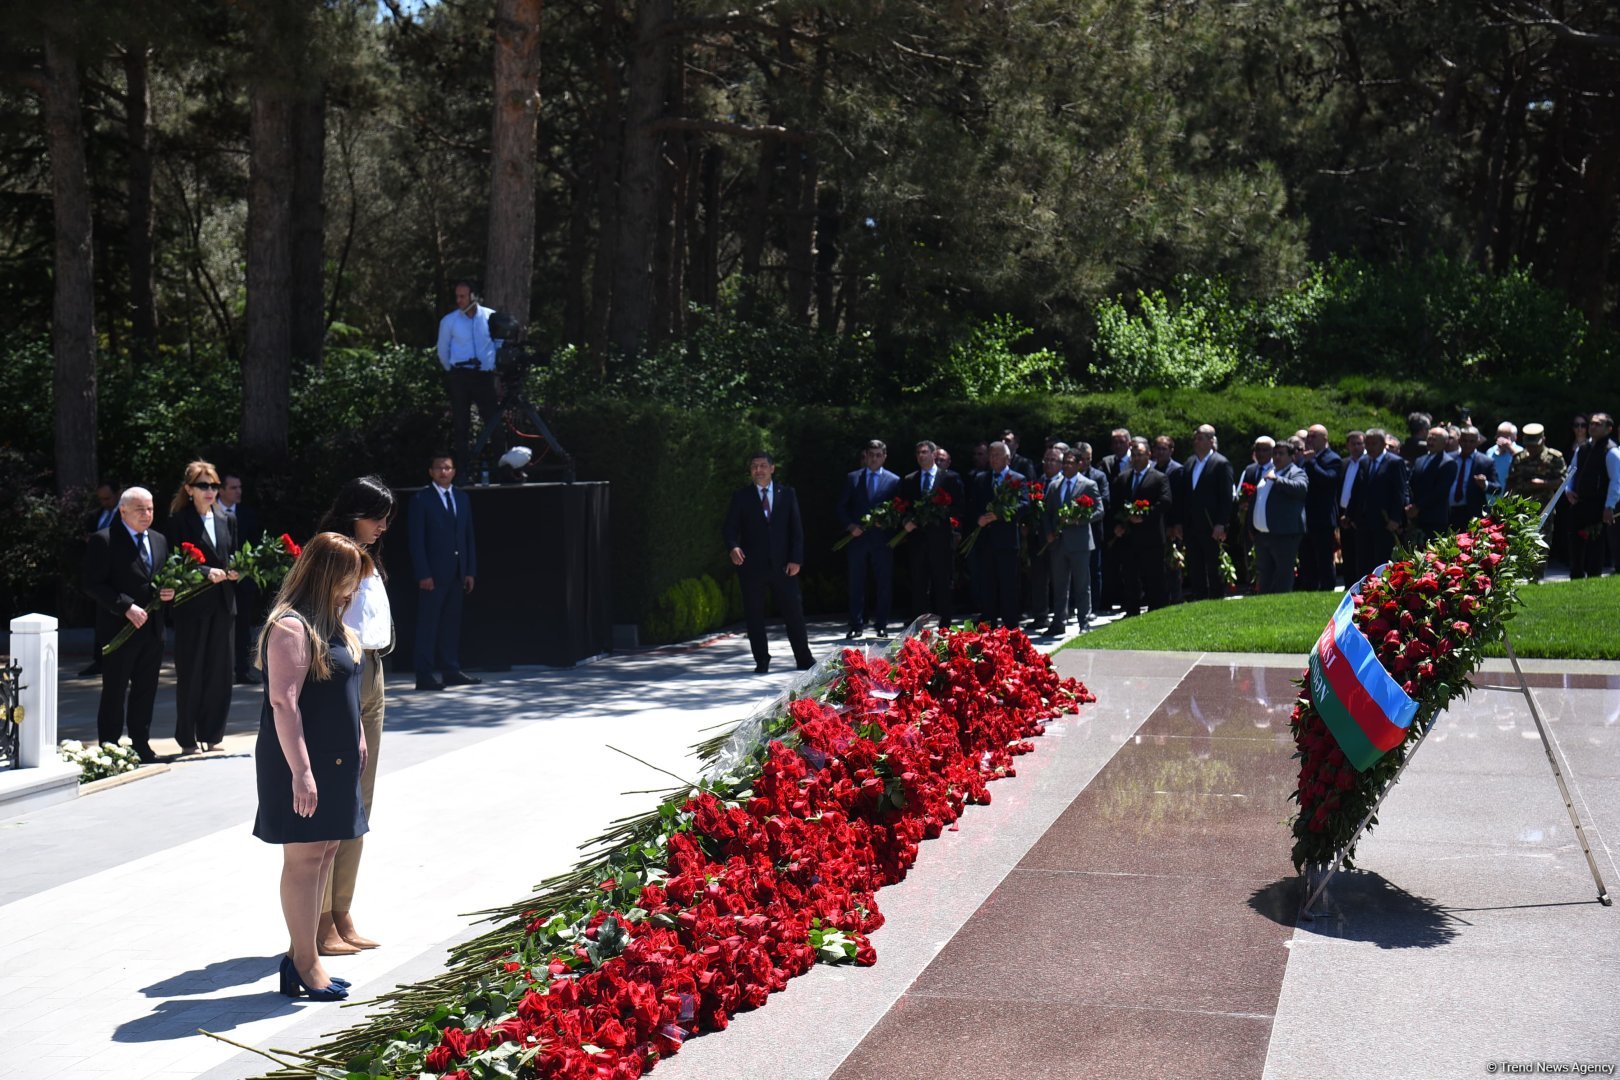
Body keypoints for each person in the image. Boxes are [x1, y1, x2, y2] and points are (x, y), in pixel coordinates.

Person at [252, 531, 370, 1002]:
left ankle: (305, 956)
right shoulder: (290, 627)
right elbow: (284, 703)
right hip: (301, 759)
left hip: (335, 759)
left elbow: (347, 690)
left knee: (325, 850)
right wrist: (301, 771)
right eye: (349, 580)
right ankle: (303, 962)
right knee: (303, 857)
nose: (354, 590)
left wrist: (358, 735)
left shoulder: (333, 623)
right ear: (326, 576)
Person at [314, 476, 396, 956]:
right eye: (377, 516)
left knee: (360, 801)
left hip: (373, 670)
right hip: (342, 672)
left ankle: (342, 910)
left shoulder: (367, 556)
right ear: (352, 512)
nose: (383, 526)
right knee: (335, 798)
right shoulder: (332, 555)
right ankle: (320, 919)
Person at [83, 488, 175, 763]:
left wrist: (168, 592)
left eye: (150, 509)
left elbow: (159, 578)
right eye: (140, 509)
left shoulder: (158, 540)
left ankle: (141, 745)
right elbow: (91, 583)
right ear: (123, 510)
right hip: (118, 631)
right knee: (114, 690)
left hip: (152, 630)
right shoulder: (105, 540)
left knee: (145, 690)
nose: (147, 515)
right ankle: (110, 748)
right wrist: (124, 606)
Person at [165, 461, 239, 754]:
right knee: (191, 670)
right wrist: (205, 571)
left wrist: (236, 570)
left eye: (214, 485)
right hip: (192, 605)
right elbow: (175, 563)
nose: (210, 491)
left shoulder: (226, 518)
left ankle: (213, 735)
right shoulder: (178, 520)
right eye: (203, 485)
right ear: (189, 489)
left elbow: (232, 554)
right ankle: (187, 738)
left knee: (220, 672)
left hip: (223, 603)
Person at [722, 452, 815, 673]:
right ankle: (761, 660)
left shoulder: (787, 494)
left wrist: (796, 559)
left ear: (772, 468)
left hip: (784, 566)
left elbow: (796, 531)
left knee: (794, 612)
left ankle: (804, 658)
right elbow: (729, 528)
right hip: (752, 567)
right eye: (754, 466)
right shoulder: (741, 496)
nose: (759, 470)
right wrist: (733, 546)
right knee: (754, 615)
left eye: (763, 465)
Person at [408, 453, 480, 692]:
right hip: (433, 575)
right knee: (428, 626)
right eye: (439, 468)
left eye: (448, 468)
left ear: (454, 471)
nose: (444, 472)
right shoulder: (421, 499)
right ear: (431, 472)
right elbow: (416, 541)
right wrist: (423, 573)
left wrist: (469, 570)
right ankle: (424, 674)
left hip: (457, 573)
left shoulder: (462, 498)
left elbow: (467, 536)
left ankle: (450, 669)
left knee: (451, 624)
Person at [836, 439, 901, 639]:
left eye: (878, 455)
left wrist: (888, 522)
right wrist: (850, 526)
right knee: (856, 582)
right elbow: (841, 507)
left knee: (883, 583)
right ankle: (856, 624)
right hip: (858, 539)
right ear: (866, 455)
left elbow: (899, 508)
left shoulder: (894, 480)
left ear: (884, 457)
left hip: (882, 540)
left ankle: (881, 624)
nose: (874, 459)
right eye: (871, 455)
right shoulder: (853, 478)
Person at [435, 280, 501, 478]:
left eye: (463, 296)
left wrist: (492, 365)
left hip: (484, 376)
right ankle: (463, 471)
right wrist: (452, 370)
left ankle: (501, 468)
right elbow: (442, 349)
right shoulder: (449, 321)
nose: (459, 300)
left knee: (493, 421)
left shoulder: (490, 317)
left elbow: (498, 343)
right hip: (460, 376)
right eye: (457, 296)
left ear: (474, 296)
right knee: (461, 424)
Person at [899, 440, 963, 628]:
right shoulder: (910, 479)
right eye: (918, 453)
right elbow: (903, 506)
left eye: (924, 452)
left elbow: (959, 506)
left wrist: (942, 515)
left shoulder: (949, 478)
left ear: (934, 454)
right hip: (917, 540)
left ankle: (944, 625)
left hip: (941, 540)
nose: (921, 456)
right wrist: (906, 521)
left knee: (942, 584)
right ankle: (919, 626)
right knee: (918, 584)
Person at [968, 440, 1030, 629]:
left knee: (1009, 586)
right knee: (987, 586)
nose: (993, 459)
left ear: (1007, 457)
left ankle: (1011, 627)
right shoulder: (981, 479)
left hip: (1007, 542)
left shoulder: (1017, 479)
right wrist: (978, 519)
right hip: (986, 542)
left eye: (997, 455)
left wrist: (1000, 514)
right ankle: (989, 627)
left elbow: (1024, 505)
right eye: (991, 455)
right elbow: (972, 506)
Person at [1169, 424, 1233, 601]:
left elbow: (1226, 497)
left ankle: (1216, 598)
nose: (1196, 442)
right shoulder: (1189, 463)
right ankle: (1199, 598)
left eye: (1200, 438)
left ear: (1211, 441)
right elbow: (1183, 496)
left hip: (1211, 525)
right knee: (1195, 565)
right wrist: (1179, 522)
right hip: (1191, 525)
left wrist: (1221, 523)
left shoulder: (1221, 464)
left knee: (1213, 565)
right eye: (1195, 438)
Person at [1110, 437, 1171, 616]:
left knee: (1154, 577)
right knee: (1130, 577)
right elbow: (1115, 505)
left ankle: (1156, 611)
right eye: (1134, 455)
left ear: (1149, 455)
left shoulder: (1159, 477)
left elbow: (1165, 502)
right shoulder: (1123, 478)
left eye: (1140, 454)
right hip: (1129, 538)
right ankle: (1132, 611)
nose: (1136, 458)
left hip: (1151, 537)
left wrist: (1144, 516)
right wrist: (1120, 523)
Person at [1041, 450, 1100, 634]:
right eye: (1064, 462)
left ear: (1079, 464)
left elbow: (1099, 510)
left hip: (1080, 543)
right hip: (1058, 544)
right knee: (1059, 586)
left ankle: (1084, 622)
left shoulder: (1088, 485)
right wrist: (1049, 532)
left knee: (1082, 585)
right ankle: (1058, 622)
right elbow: (1047, 513)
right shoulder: (1054, 486)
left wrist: (1079, 520)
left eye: (1070, 463)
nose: (1066, 466)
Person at [1560, 413, 1620, 579]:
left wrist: (1609, 506)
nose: (1592, 427)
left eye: (1597, 424)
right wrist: (1568, 491)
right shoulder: (1583, 448)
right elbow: (1571, 472)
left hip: (1599, 505)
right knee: (1575, 543)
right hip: (1579, 503)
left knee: (1596, 545)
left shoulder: (1611, 451)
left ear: (1608, 429)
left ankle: (1594, 577)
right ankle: (1576, 576)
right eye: (1591, 424)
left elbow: (1616, 481)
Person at [219, 473, 265, 685]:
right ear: (221, 490)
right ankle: (220, 670)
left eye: (240, 487)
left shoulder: (248, 514)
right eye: (233, 488)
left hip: (243, 580)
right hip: (216, 581)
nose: (238, 491)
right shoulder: (211, 513)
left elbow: (256, 546)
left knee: (243, 625)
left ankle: (242, 669)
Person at [1250, 440, 1307, 594]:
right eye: (1275, 453)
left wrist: (1277, 480)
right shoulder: (1269, 472)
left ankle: (1282, 600)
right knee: (1265, 572)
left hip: (1285, 533)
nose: (1276, 457)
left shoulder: (1296, 472)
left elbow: (1301, 488)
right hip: (1264, 534)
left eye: (1281, 453)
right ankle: (1265, 601)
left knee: (1283, 571)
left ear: (1291, 456)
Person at [79, 481, 122, 678]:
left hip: (118, 572)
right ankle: (100, 659)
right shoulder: (96, 516)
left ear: (117, 494)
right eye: (101, 499)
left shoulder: (124, 515)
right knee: (101, 617)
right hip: (98, 572)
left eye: (108, 498)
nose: (104, 502)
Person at [1352, 429, 1408, 577]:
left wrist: (1395, 518)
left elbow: (1399, 492)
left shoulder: (1394, 462)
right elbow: (1357, 490)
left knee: (1381, 560)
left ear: (1383, 444)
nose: (1370, 447)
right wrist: (1350, 515)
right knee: (1364, 560)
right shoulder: (1364, 462)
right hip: (1364, 521)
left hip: (1385, 521)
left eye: (1373, 443)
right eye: (1367, 443)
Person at [1298, 425, 1343, 591]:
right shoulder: (1306, 459)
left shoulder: (1333, 459)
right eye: (1308, 436)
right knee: (1307, 557)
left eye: (1313, 436)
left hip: (1323, 517)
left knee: (1323, 558)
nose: (1309, 440)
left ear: (1325, 438)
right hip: (1306, 516)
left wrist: (1313, 463)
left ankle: (1327, 588)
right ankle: (1309, 588)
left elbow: (1329, 481)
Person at [1406, 426, 1458, 543]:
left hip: (1434, 518)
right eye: (1429, 438)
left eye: (1435, 440)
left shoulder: (1448, 463)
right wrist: (1410, 505)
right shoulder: (1420, 460)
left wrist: (1418, 507)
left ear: (1445, 443)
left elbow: (1440, 491)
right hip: (1416, 517)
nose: (1430, 442)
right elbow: (1411, 484)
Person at [1077, 442, 1110, 612]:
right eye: (1082, 459)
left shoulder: (1098, 476)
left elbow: (1104, 500)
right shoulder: (1068, 476)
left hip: (1093, 529)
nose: (1085, 462)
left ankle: (1095, 605)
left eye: (1089, 458)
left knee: (1093, 568)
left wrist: (1083, 513)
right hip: (1072, 531)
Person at [1448, 426, 1500, 528]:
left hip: (1471, 513)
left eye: (1472, 441)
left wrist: (1484, 484)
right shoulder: (1449, 458)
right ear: (1459, 440)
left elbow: (1497, 487)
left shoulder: (1486, 462)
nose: (1467, 444)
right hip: (1448, 512)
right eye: (1464, 441)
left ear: (1478, 441)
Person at [1507, 423, 1565, 504]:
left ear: (1543, 440)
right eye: (1529, 445)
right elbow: (1510, 483)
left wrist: (1543, 483)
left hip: (1544, 507)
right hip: (1520, 507)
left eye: (1535, 445)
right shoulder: (1518, 458)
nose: (1531, 448)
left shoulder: (1554, 458)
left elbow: (1562, 481)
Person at [1337, 430, 1367, 583]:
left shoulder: (1367, 462)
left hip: (1360, 515)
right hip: (1343, 514)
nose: (1356, 447)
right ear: (1348, 446)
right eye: (1353, 444)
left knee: (1360, 553)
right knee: (1347, 552)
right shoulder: (1344, 463)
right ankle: (1348, 585)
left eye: (1359, 443)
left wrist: (1352, 515)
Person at [1487, 422, 1521, 495]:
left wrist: (1510, 448)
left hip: (1510, 499)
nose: (1501, 440)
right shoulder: (1490, 451)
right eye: (1499, 436)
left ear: (1515, 438)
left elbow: (1524, 465)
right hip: (1490, 499)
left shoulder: (1520, 451)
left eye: (1505, 437)